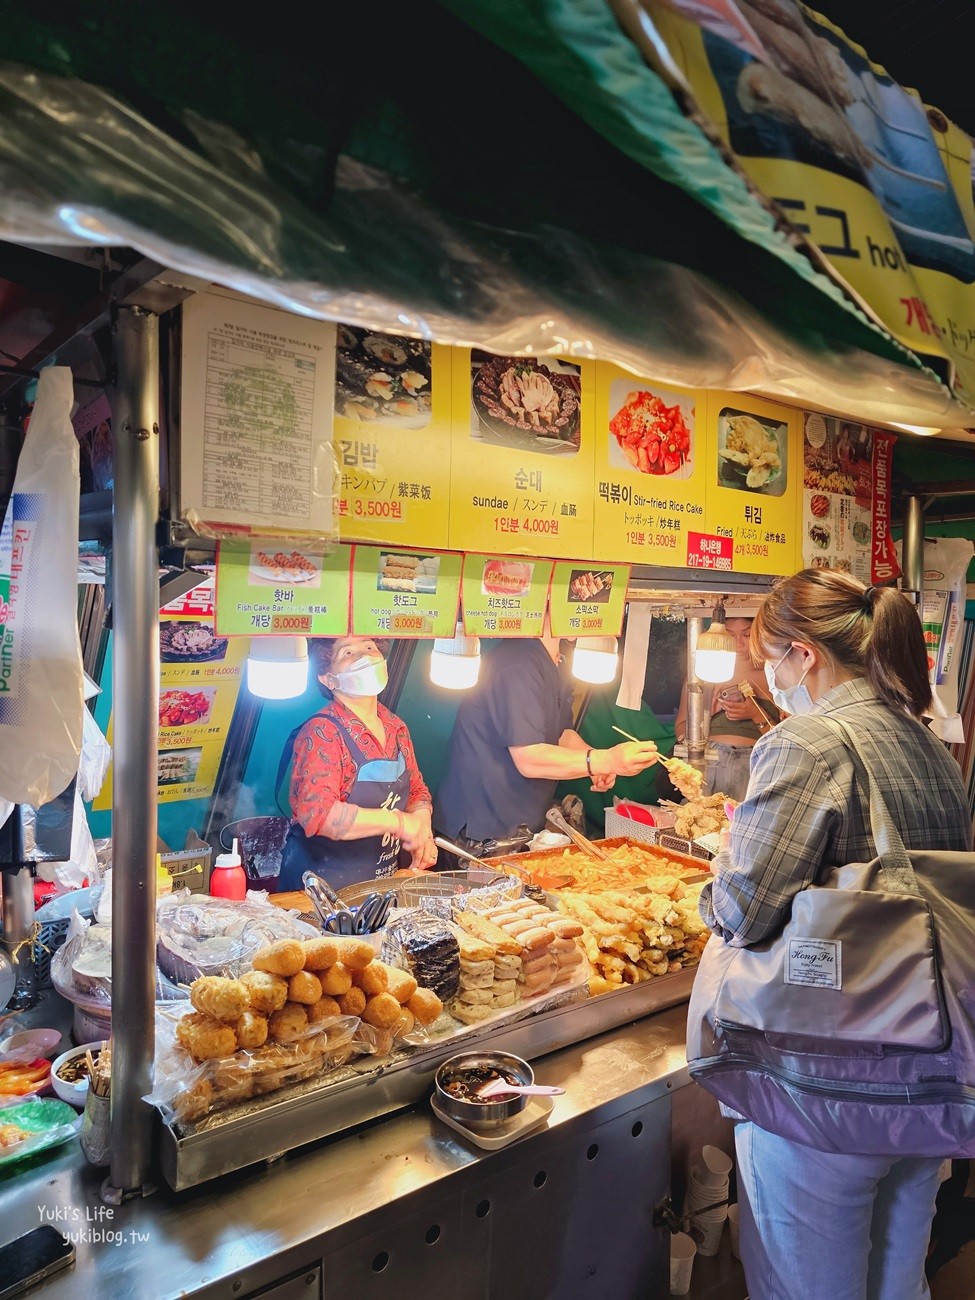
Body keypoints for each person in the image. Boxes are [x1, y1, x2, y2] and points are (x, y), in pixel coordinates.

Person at [695, 568, 972, 1300]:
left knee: (804, 1287)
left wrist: (711, 878)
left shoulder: (806, 743)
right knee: (895, 1282)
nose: (766, 677)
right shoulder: (925, 742)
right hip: (923, 1079)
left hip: (826, 1087)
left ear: (803, 655)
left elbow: (743, 910)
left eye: (766, 659)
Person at [433, 613, 662, 856]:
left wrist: (597, 763)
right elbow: (529, 758)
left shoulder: (553, 662)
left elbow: (561, 734)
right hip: (478, 834)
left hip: (515, 828)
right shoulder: (517, 665)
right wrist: (605, 759)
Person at [278, 635, 437, 893]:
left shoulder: (395, 726)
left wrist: (422, 829)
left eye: (369, 647)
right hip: (321, 891)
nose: (363, 656)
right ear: (327, 678)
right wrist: (398, 822)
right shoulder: (322, 732)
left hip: (382, 885)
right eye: (347, 653)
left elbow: (417, 790)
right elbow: (320, 814)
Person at [673, 616, 781, 802]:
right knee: (700, 822)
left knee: (743, 825)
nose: (739, 643)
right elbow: (681, 732)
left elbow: (784, 743)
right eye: (730, 636)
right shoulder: (703, 674)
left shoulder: (777, 676)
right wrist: (706, 715)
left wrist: (755, 714)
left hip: (754, 763)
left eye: (747, 634)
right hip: (708, 760)